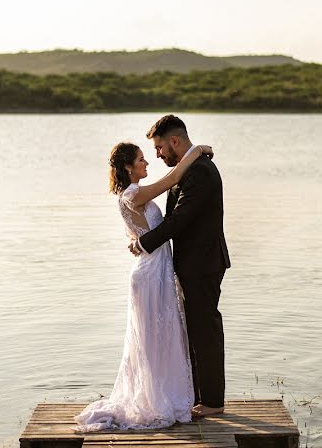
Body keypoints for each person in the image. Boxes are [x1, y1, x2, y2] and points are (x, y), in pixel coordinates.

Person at [74, 137, 214, 432]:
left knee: (163, 335)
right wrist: (197, 151)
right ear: (128, 168)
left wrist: (135, 241)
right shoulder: (133, 193)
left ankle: (165, 394)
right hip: (150, 274)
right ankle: (155, 400)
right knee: (153, 338)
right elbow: (175, 177)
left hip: (156, 268)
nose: (147, 162)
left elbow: (136, 232)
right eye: (141, 160)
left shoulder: (131, 195)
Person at [131, 115, 230, 419]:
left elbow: (180, 220)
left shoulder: (200, 172)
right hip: (192, 263)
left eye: (160, 147)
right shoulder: (188, 168)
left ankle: (213, 401)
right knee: (195, 330)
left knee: (205, 329)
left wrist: (144, 243)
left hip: (203, 264)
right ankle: (199, 397)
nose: (158, 154)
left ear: (175, 141)